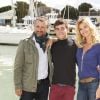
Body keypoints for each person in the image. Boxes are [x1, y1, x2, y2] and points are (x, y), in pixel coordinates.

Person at [14, 17, 53, 100]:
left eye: (43, 27)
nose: (40, 29)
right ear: (34, 27)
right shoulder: (24, 43)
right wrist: (17, 86)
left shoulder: (50, 43)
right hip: (27, 86)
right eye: (37, 26)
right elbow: (18, 67)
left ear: (47, 28)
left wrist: (53, 40)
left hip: (44, 86)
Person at [49, 19, 77, 100]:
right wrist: (52, 39)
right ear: (55, 31)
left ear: (67, 29)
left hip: (69, 87)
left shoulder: (75, 45)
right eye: (57, 29)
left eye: (62, 28)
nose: (60, 31)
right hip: (55, 86)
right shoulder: (52, 45)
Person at [75, 17, 100, 100]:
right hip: (81, 84)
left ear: (90, 27)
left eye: (85, 27)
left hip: (94, 84)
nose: (83, 30)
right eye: (80, 29)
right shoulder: (79, 46)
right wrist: (52, 40)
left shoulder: (98, 46)